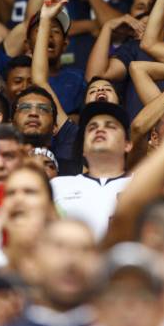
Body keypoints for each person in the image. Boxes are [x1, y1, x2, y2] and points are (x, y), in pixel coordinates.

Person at [50, 102, 132, 239]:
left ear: (127, 144)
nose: (99, 130)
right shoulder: (57, 185)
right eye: (92, 128)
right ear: (82, 148)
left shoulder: (142, 185)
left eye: (110, 126)